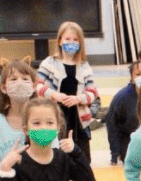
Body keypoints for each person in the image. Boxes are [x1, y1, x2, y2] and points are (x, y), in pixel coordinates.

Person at [36, 21, 98, 157]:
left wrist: (78, 99)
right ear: (59, 41)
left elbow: (93, 92)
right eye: (68, 39)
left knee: (82, 158)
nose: (72, 42)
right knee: (56, 155)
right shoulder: (49, 62)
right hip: (55, 115)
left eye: (75, 40)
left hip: (78, 118)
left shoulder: (84, 65)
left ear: (80, 43)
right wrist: (53, 95)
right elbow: (36, 85)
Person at [0, 61, 39, 175]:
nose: (20, 83)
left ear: (34, 86)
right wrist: (6, 172)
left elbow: (53, 155)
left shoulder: (43, 120)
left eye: (25, 79)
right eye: (13, 79)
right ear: (3, 88)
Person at [105, 60, 141, 165]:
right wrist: (115, 151)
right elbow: (112, 124)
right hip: (129, 136)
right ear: (132, 79)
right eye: (138, 74)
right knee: (131, 159)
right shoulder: (122, 97)